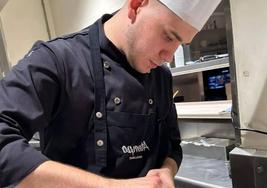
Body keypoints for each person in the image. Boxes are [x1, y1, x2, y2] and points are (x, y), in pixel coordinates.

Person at [0, 0, 221, 187]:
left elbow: (172, 146)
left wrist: (166, 171)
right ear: (136, 5)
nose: (169, 56)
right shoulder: (56, 60)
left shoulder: (161, 76)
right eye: (168, 36)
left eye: (181, 43)